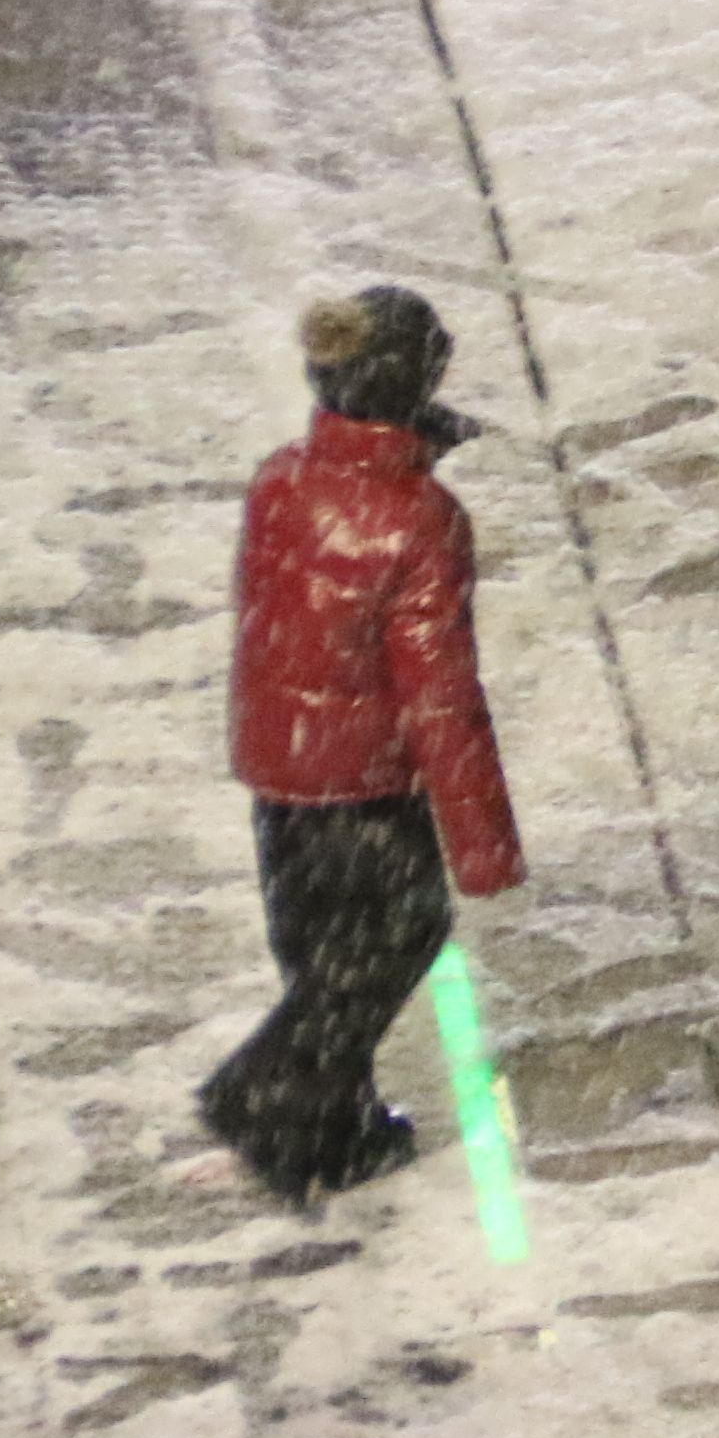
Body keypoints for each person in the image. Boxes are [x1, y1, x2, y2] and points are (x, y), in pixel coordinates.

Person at [201, 287, 526, 1201]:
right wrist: (483, 842)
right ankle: (261, 1095)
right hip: (363, 780)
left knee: (316, 957)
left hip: (281, 764)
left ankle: (333, 1139)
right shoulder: (422, 521)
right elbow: (441, 697)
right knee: (400, 935)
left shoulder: (279, 477)